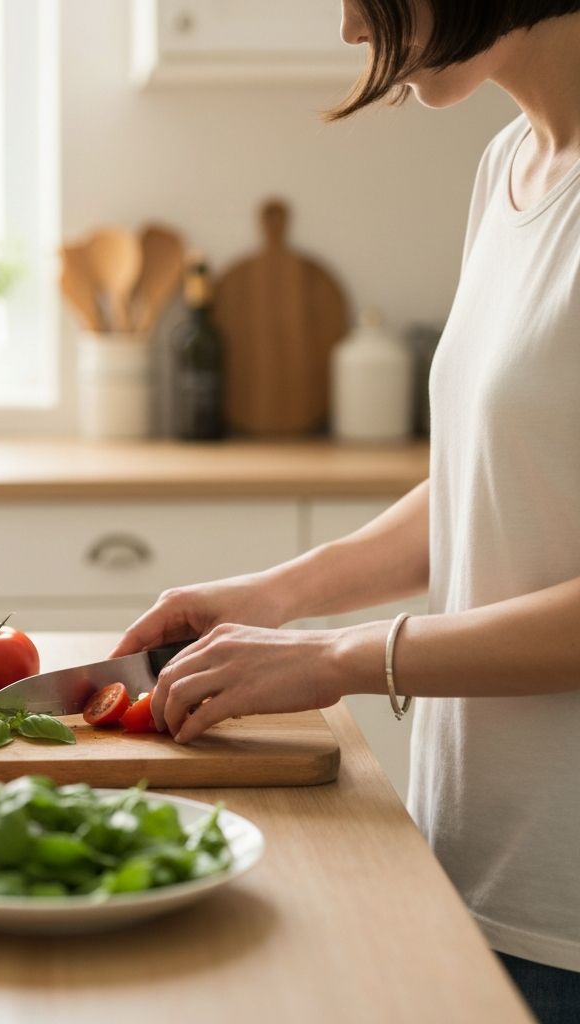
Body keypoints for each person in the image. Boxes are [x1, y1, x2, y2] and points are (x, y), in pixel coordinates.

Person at [110, 3, 580, 1021]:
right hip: (473, 864)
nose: (344, 28)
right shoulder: (509, 165)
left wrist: (338, 658)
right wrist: (276, 593)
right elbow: (494, 477)